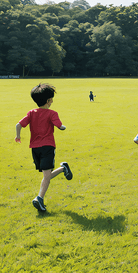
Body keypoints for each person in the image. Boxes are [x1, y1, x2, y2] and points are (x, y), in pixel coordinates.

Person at [15, 83, 73, 212]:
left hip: (41, 148)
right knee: (46, 175)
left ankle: (39, 198)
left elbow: (18, 125)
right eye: (51, 99)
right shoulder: (52, 113)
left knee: (46, 175)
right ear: (48, 100)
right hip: (43, 147)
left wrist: (17, 136)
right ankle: (63, 168)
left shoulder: (31, 113)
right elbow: (59, 125)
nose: (52, 101)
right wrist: (62, 127)